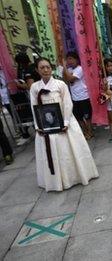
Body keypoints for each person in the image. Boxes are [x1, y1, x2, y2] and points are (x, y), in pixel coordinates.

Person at [30, 57, 99, 192]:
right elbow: (33, 107)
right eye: (42, 67)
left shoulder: (60, 84)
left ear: (52, 68)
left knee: (67, 152)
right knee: (52, 152)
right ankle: (55, 181)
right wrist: (38, 126)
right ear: (37, 70)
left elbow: (68, 103)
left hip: (64, 123)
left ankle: (73, 177)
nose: (45, 70)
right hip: (46, 126)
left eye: (48, 67)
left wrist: (66, 122)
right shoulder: (34, 87)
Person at [62, 51, 93, 140]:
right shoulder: (69, 70)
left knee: (87, 117)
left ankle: (90, 132)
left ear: (76, 59)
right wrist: (65, 69)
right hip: (75, 98)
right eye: (67, 59)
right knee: (79, 118)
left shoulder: (80, 69)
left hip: (84, 97)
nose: (69, 61)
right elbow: (65, 79)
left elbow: (70, 78)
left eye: (71, 59)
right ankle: (85, 132)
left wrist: (64, 67)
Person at [13, 52, 39, 145]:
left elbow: (30, 86)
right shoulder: (33, 67)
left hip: (35, 96)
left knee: (37, 116)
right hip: (38, 95)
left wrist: (19, 85)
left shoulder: (28, 70)